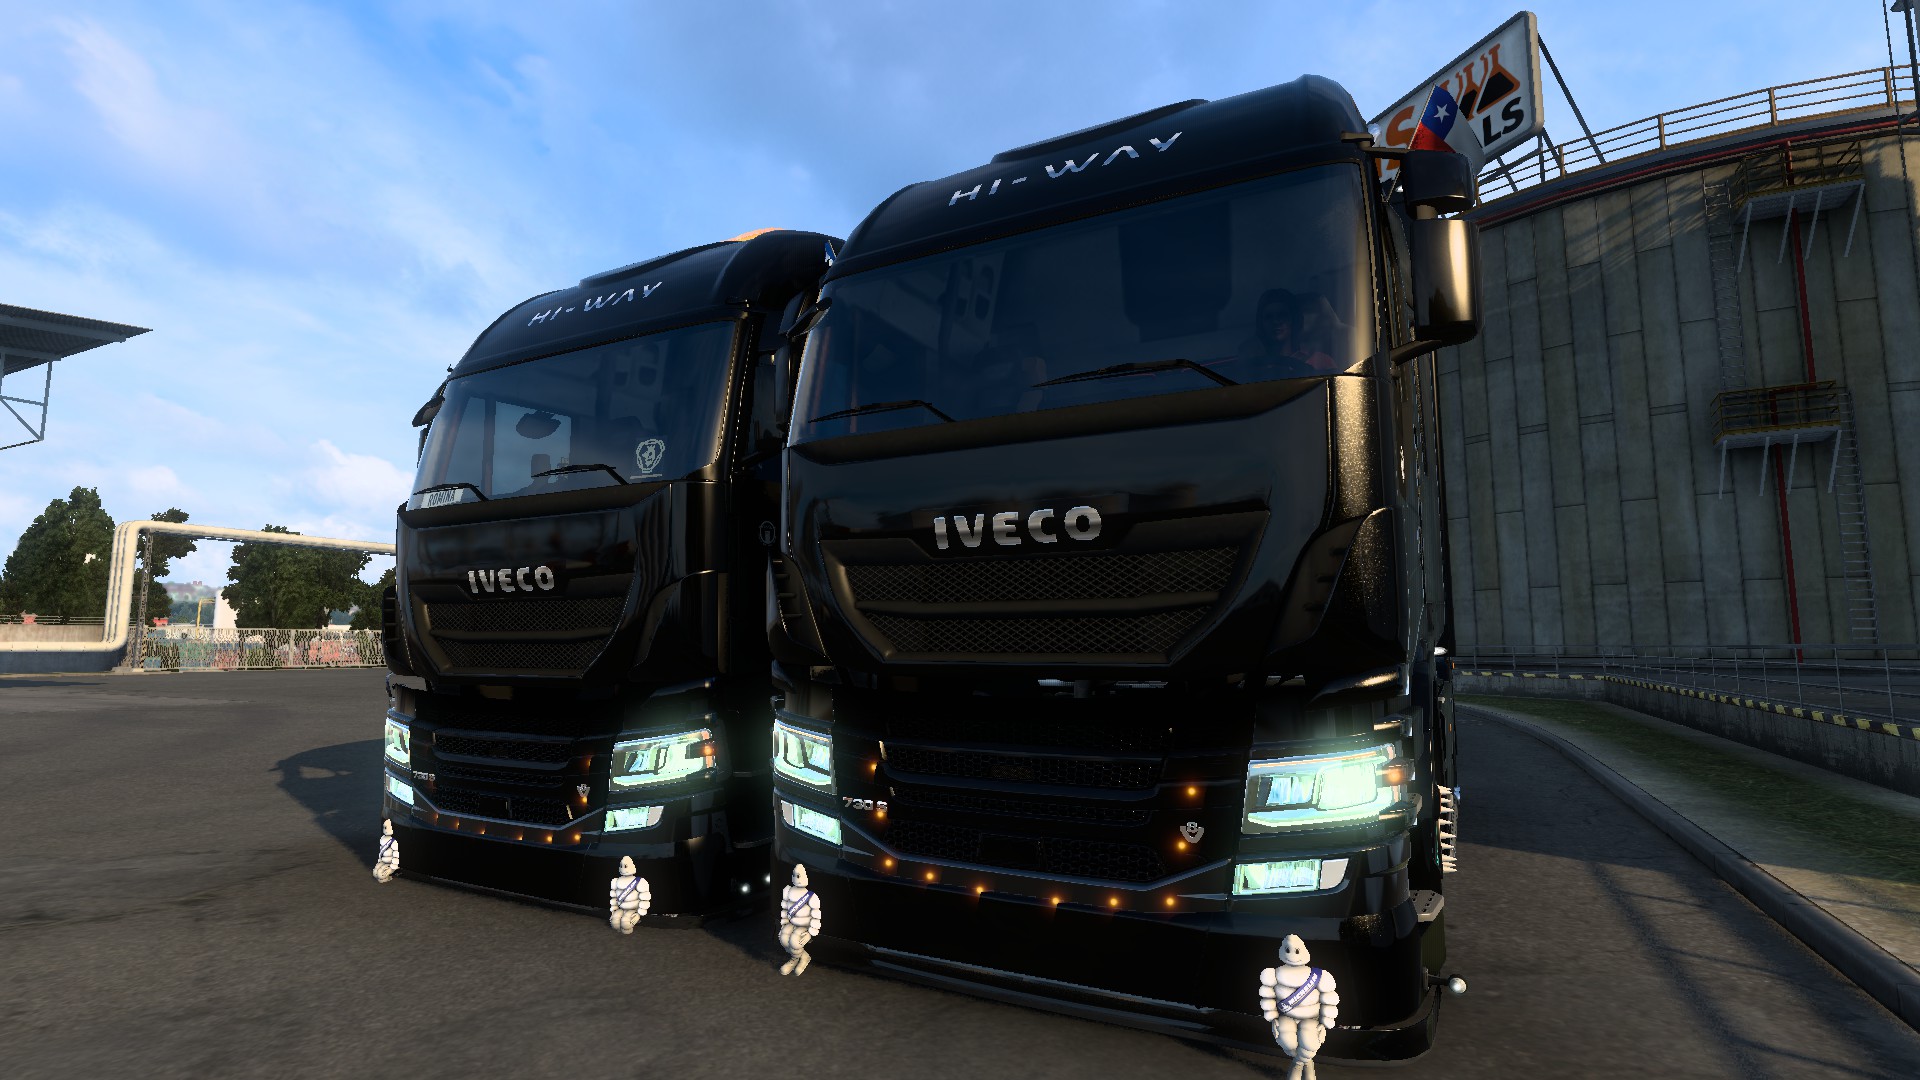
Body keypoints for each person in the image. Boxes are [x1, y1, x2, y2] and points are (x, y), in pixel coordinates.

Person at [1235, 289, 1342, 378]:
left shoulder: (1320, 362)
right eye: (1269, 317)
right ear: (1261, 323)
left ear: (1293, 320)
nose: (1276, 321)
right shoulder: (1254, 366)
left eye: (1282, 315)